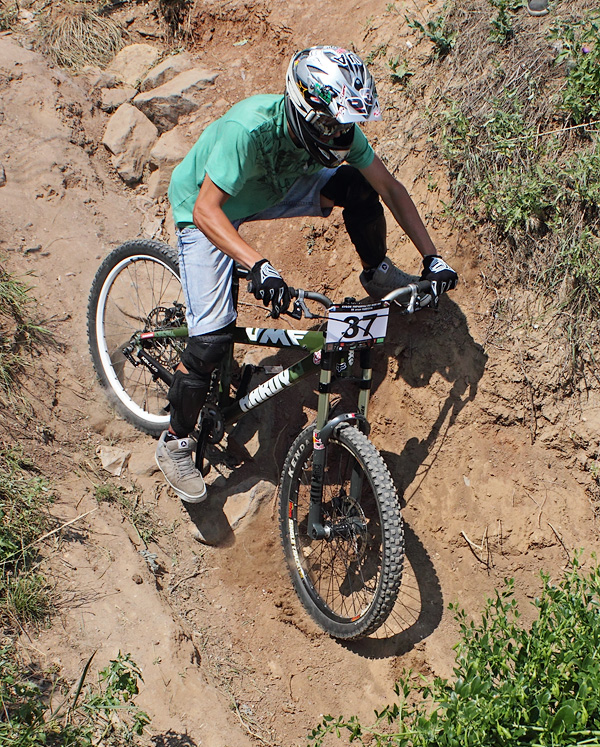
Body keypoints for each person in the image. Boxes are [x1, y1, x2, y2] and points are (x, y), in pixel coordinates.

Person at [157, 45, 458, 503]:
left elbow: (389, 188)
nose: (342, 135)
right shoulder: (249, 129)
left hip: (267, 190)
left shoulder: (336, 130)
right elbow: (206, 210)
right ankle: (175, 441)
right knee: (210, 340)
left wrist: (432, 258)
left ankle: (377, 272)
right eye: (332, 124)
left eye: (346, 124)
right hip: (205, 206)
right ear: (304, 108)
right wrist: (259, 264)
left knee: (356, 186)